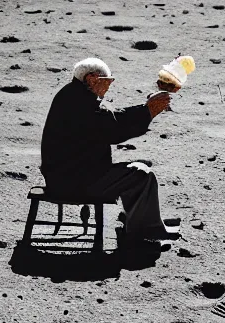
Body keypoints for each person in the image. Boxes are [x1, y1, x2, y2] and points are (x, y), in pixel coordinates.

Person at [40, 57, 180, 242]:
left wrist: (145, 110)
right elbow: (112, 129)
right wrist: (147, 112)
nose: (108, 87)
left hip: (66, 176)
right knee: (142, 175)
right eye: (107, 82)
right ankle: (144, 231)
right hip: (75, 182)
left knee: (137, 169)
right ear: (92, 79)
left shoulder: (73, 95)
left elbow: (110, 118)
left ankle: (136, 221)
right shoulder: (80, 102)